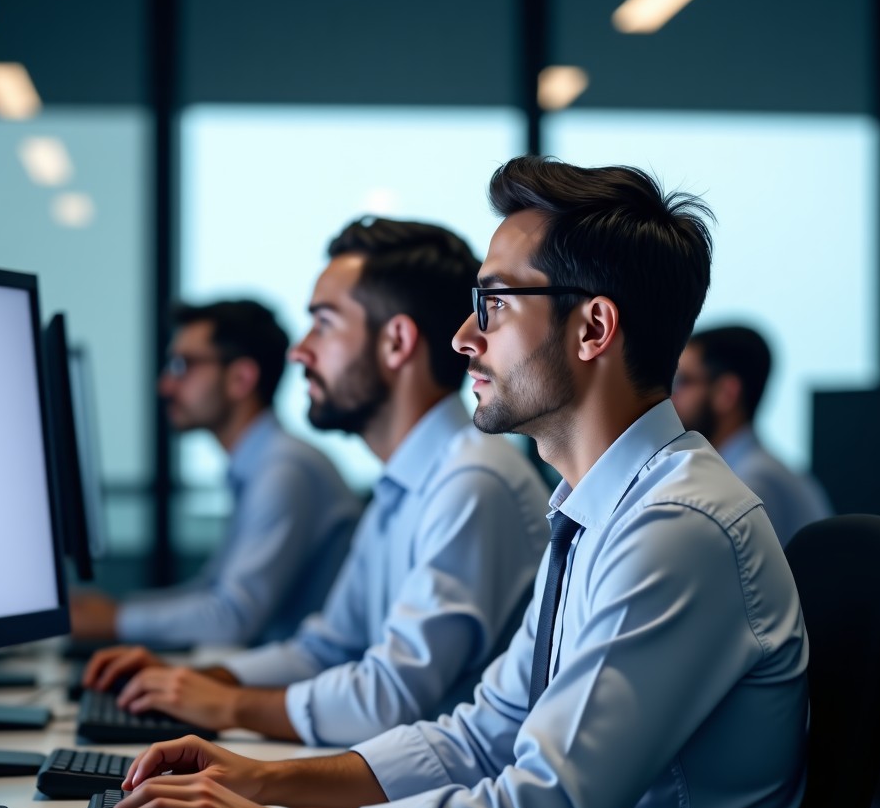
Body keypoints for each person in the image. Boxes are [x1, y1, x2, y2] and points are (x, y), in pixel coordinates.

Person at [100, 158, 809, 808]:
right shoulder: (594, 512)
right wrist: (259, 784)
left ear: (594, 328)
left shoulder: (678, 528)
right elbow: (479, 738)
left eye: (494, 304)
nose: (466, 337)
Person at [83, 217, 551, 747]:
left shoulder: (471, 483)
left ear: (396, 342)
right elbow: (327, 648)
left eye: (324, 324)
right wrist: (200, 681)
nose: (299, 351)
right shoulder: (405, 483)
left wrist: (228, 704)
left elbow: (390, 698)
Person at [70, 300, 361, 648]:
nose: (165, 385)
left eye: (183, 365)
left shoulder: (284, 469)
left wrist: (115, 620)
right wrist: (117, 610)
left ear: (241, 378)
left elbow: (232, 616)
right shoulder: (260, 465)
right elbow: (212, 588)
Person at [671, 324, 831, 547]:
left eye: (682, 382)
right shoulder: (756, 471)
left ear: (726, 393)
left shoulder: (752, 483)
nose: (670, 397)